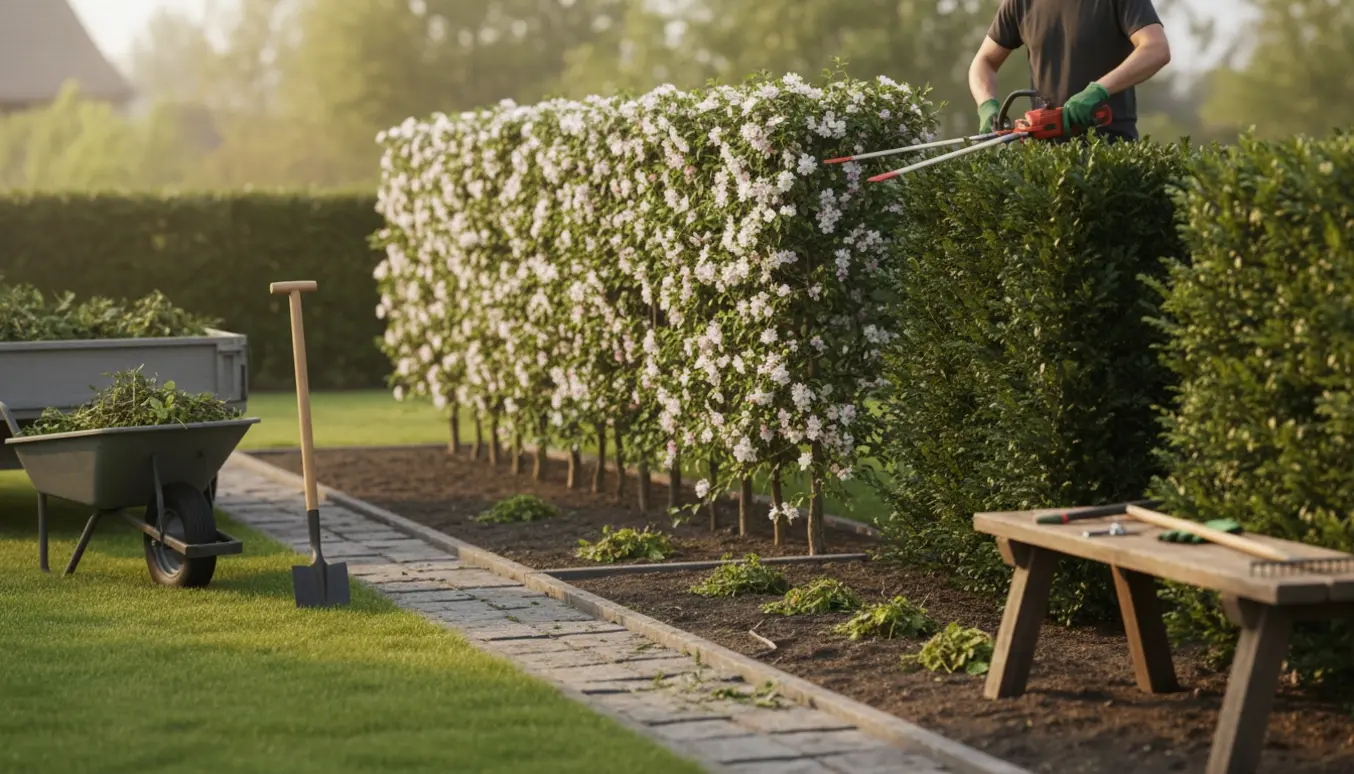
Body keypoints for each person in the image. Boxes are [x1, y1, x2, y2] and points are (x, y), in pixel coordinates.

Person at [968, 0, 1172, 142]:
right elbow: (984, 61)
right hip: (1043, 162)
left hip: (1111, 154)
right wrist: (986, 106)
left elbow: (1156, 48)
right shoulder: (1020, 3)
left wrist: (1098, 91)